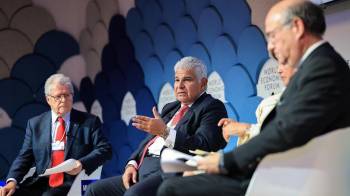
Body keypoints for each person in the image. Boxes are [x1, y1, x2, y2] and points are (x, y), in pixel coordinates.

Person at [157, 1, 350, 195]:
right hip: (277, 171)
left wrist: (225, 161)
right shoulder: (321, 65)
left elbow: (286, 131)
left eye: (272, 36)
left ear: (297, 27)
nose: (271, 47)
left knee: (171, 189)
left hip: (283, 178)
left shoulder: (322, 68)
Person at [85, 56, 227, 196]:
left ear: (203, 83)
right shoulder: (171, 107)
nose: (180, 85)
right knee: (94, 190)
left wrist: (165, 132)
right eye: (177, 80)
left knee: (133, 194)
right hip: (143, 169)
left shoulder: (212, 107)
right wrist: (132, 164)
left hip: (171, 171)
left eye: (187, 80)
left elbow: (204, 144)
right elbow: (149, 142)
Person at [0, 74, 112, 196]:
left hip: (70, 183)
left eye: (67, 95)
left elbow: (105, 148)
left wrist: (82, 164)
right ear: (48, 99)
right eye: (58, 96)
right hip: (39, 183)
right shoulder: (35, 124)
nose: (63, 100)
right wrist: (12, 181)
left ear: (72, 97)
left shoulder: (89, 121)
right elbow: (24, 157)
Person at [220, 62, 296, 145]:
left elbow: (283, 135)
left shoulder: (304, 100)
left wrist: (244, 129)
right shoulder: (266, 103)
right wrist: (239, 129)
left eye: (285, 62)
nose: (279, 70)